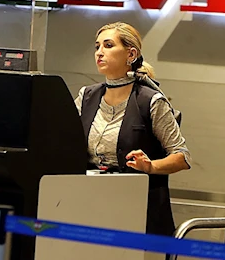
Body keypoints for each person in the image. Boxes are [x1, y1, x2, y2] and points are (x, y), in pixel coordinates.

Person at [74, 22, 190, 236]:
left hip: (138, 211)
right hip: (90, 204)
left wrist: (150, 166)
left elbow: (181, 157)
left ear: (131, 54)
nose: (99, 52)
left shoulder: (151, 101)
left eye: (108, 45)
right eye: (97, 46)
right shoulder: (86, 96)